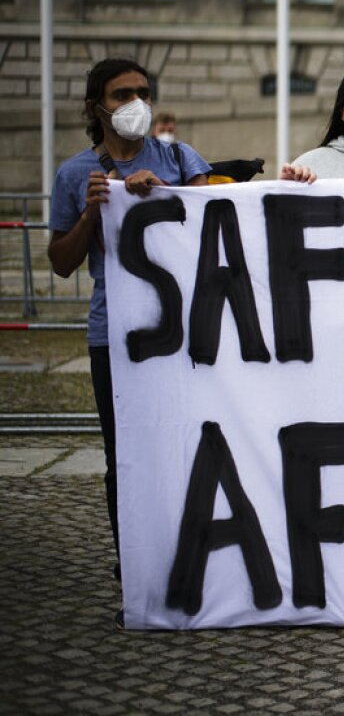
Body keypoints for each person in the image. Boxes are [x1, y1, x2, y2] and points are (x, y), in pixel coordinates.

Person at [48, 57, 211, 573]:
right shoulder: (75, 174)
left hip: (185, 330)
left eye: (142, 92)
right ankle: (137, 565)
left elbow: (217, 227)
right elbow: (60, 263)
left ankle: (192, 554)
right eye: (122, 95)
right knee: (126, 456)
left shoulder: (181, 158)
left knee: (190, 445)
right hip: (114, 336)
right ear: (96, 107)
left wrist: (167, 195)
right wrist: (95, 208)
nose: (135, 103)